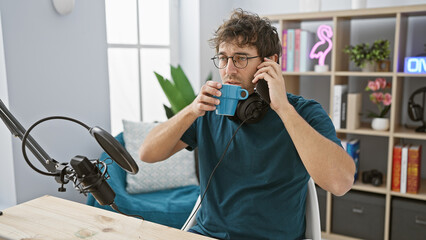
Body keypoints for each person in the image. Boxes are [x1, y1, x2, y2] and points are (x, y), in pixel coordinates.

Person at [139, 9, 355, 240]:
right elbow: (147, 154)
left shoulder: (304, 112)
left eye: (240, 58)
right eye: (223, 58)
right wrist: (191, 111)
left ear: (269, 62)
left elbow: (340, 183)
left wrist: (282, 109)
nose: (228, 70)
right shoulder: (207, 110)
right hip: (206, 235)